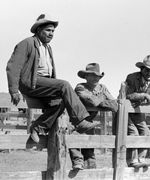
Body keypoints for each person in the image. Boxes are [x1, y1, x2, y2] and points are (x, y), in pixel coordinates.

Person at [6, 14, 99, 143]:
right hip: (30, 82)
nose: (51, 34)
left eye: (53, 31)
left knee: (60, 102)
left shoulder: (48, 48)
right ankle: (81, 121)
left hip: (43, 85)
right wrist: (14, 90)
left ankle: (37, 127)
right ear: (39, 30)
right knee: (64, 85)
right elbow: (13, 67)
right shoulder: (27, 43)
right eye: (48, 30)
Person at [69, 63, 118, 170]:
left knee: (89, 147)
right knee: (73, 139)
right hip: (77, 121)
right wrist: (104, 102)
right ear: (86, 76)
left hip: (90, 121)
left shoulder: (102, 88)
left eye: (97, 76)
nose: (96, 78)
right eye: (92, 75)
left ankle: (90, 169)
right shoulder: (80, 87)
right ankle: (78, 161)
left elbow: (114, 103)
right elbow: (91, 100)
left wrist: (104, 103)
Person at [125, 55, 150, 168]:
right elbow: (128, 95)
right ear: (142, 69)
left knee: (146, 131)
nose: (149, 73)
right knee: (133, 132)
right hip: (125, 111)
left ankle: (141, 159)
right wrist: (144, 95)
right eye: (147, 70)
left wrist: (146, 102)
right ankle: (132, 161)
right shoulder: (131, 77)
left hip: (138, 110)